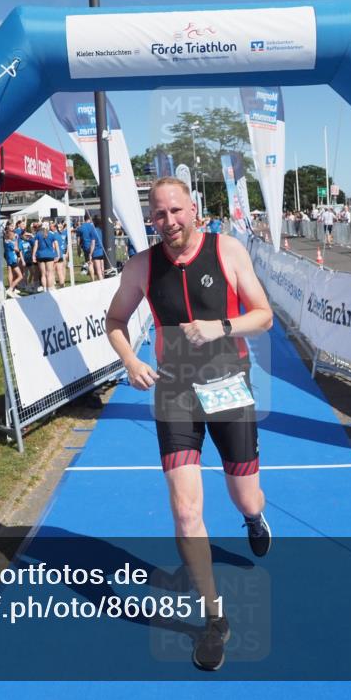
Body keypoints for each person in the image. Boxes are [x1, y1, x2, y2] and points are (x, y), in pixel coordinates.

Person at [105, 177, 274, 672]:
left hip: (228, 385)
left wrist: (221, 326)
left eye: (175, 211)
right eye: (158, 215)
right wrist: (130, 363)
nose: (168, 221)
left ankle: (252, 518)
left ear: (194, 209)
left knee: (247, 495)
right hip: (174, 391)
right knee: (184, 511)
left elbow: (263, 316)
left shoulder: (228, 250)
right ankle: (215, 618)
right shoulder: (142, 266)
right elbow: (114, 321)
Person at [33, 221, 60, 292]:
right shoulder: (51, 234)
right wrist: (58, 254)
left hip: (40, 255)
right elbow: (56, 245)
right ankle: (50, 288)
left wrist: (33, 255)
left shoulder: (38, 234)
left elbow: (36, 245)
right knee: (50, 273)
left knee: (43, 274)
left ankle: (44, 288)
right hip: (49, 255)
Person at [3, 224, 23, 297]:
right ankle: (10, 289)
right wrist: (16, 240)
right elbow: (17, 249)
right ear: (10, 236)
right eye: (13, 235)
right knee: (20, 276)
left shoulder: (6, 241)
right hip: (13, 260)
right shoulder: (10, 242)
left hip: (10, 259)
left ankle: (12, 289)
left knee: (12, 273)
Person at [88, 215, 107, 281]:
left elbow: (93, 243)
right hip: (103, 251)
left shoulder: (93, 231)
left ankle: (102, 283)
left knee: (98, 270)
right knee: (103, 269)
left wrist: (90, 254)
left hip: (96, 252)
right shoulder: (103, 230)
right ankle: (105, 280)